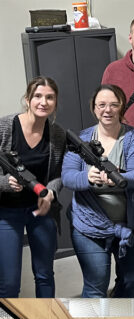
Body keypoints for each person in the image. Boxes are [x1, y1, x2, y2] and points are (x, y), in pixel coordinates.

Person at [63, 84, 134, 298]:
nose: (107, 110)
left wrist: (118, 178)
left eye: (114, 104)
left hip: (131, 224)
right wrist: (87, 177)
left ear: (121, 107)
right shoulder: (80, 140)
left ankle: (115, 316)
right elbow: (67, 176)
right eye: (101, 105)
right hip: (88, 225)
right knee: (95, 286)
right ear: (94, 108)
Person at [0, 77, 64, 297]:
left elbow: (58, 174)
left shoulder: (57, 134)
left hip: (40, 210)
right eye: (37, 96)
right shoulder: (5, 127)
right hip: (7, 212)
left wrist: (52, 192)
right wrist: (4, 183)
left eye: (49, 97)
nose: (43, 102)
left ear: (55, 102)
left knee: (45, 275)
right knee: (8, 283)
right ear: (27, 100)